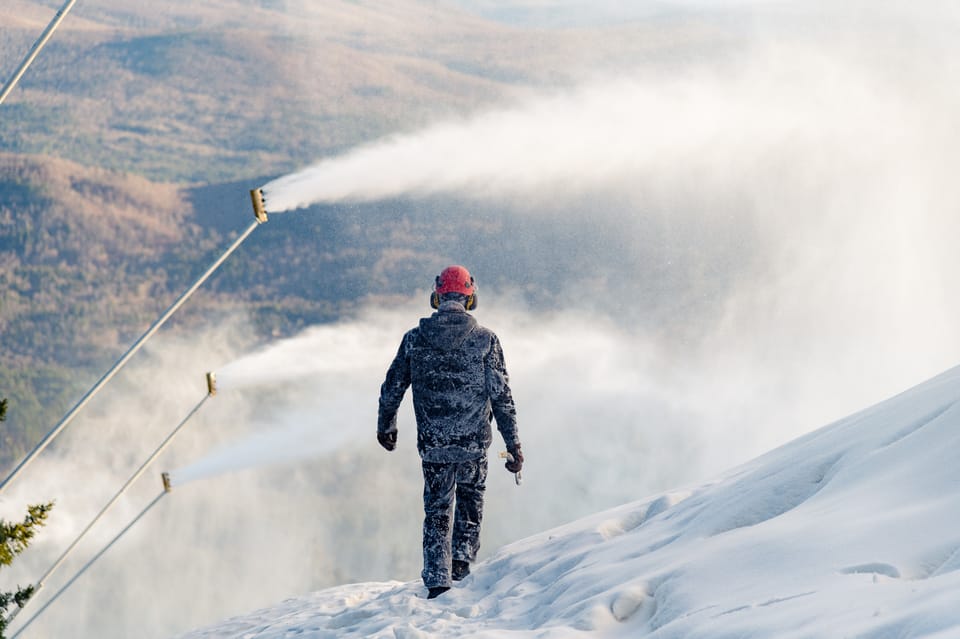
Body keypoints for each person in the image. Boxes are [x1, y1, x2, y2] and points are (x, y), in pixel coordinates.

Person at [377, 265, 522, 600]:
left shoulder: (414, 340)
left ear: (437, 296)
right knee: (471, 504)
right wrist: (513, 444)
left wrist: (386, 425)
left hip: (434, 447)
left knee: (437, 511)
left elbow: (392, 387)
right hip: (473, 447)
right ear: (469, 297)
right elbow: (502, 397)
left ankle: (438, 582)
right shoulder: (487, 340)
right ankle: (461, 565)